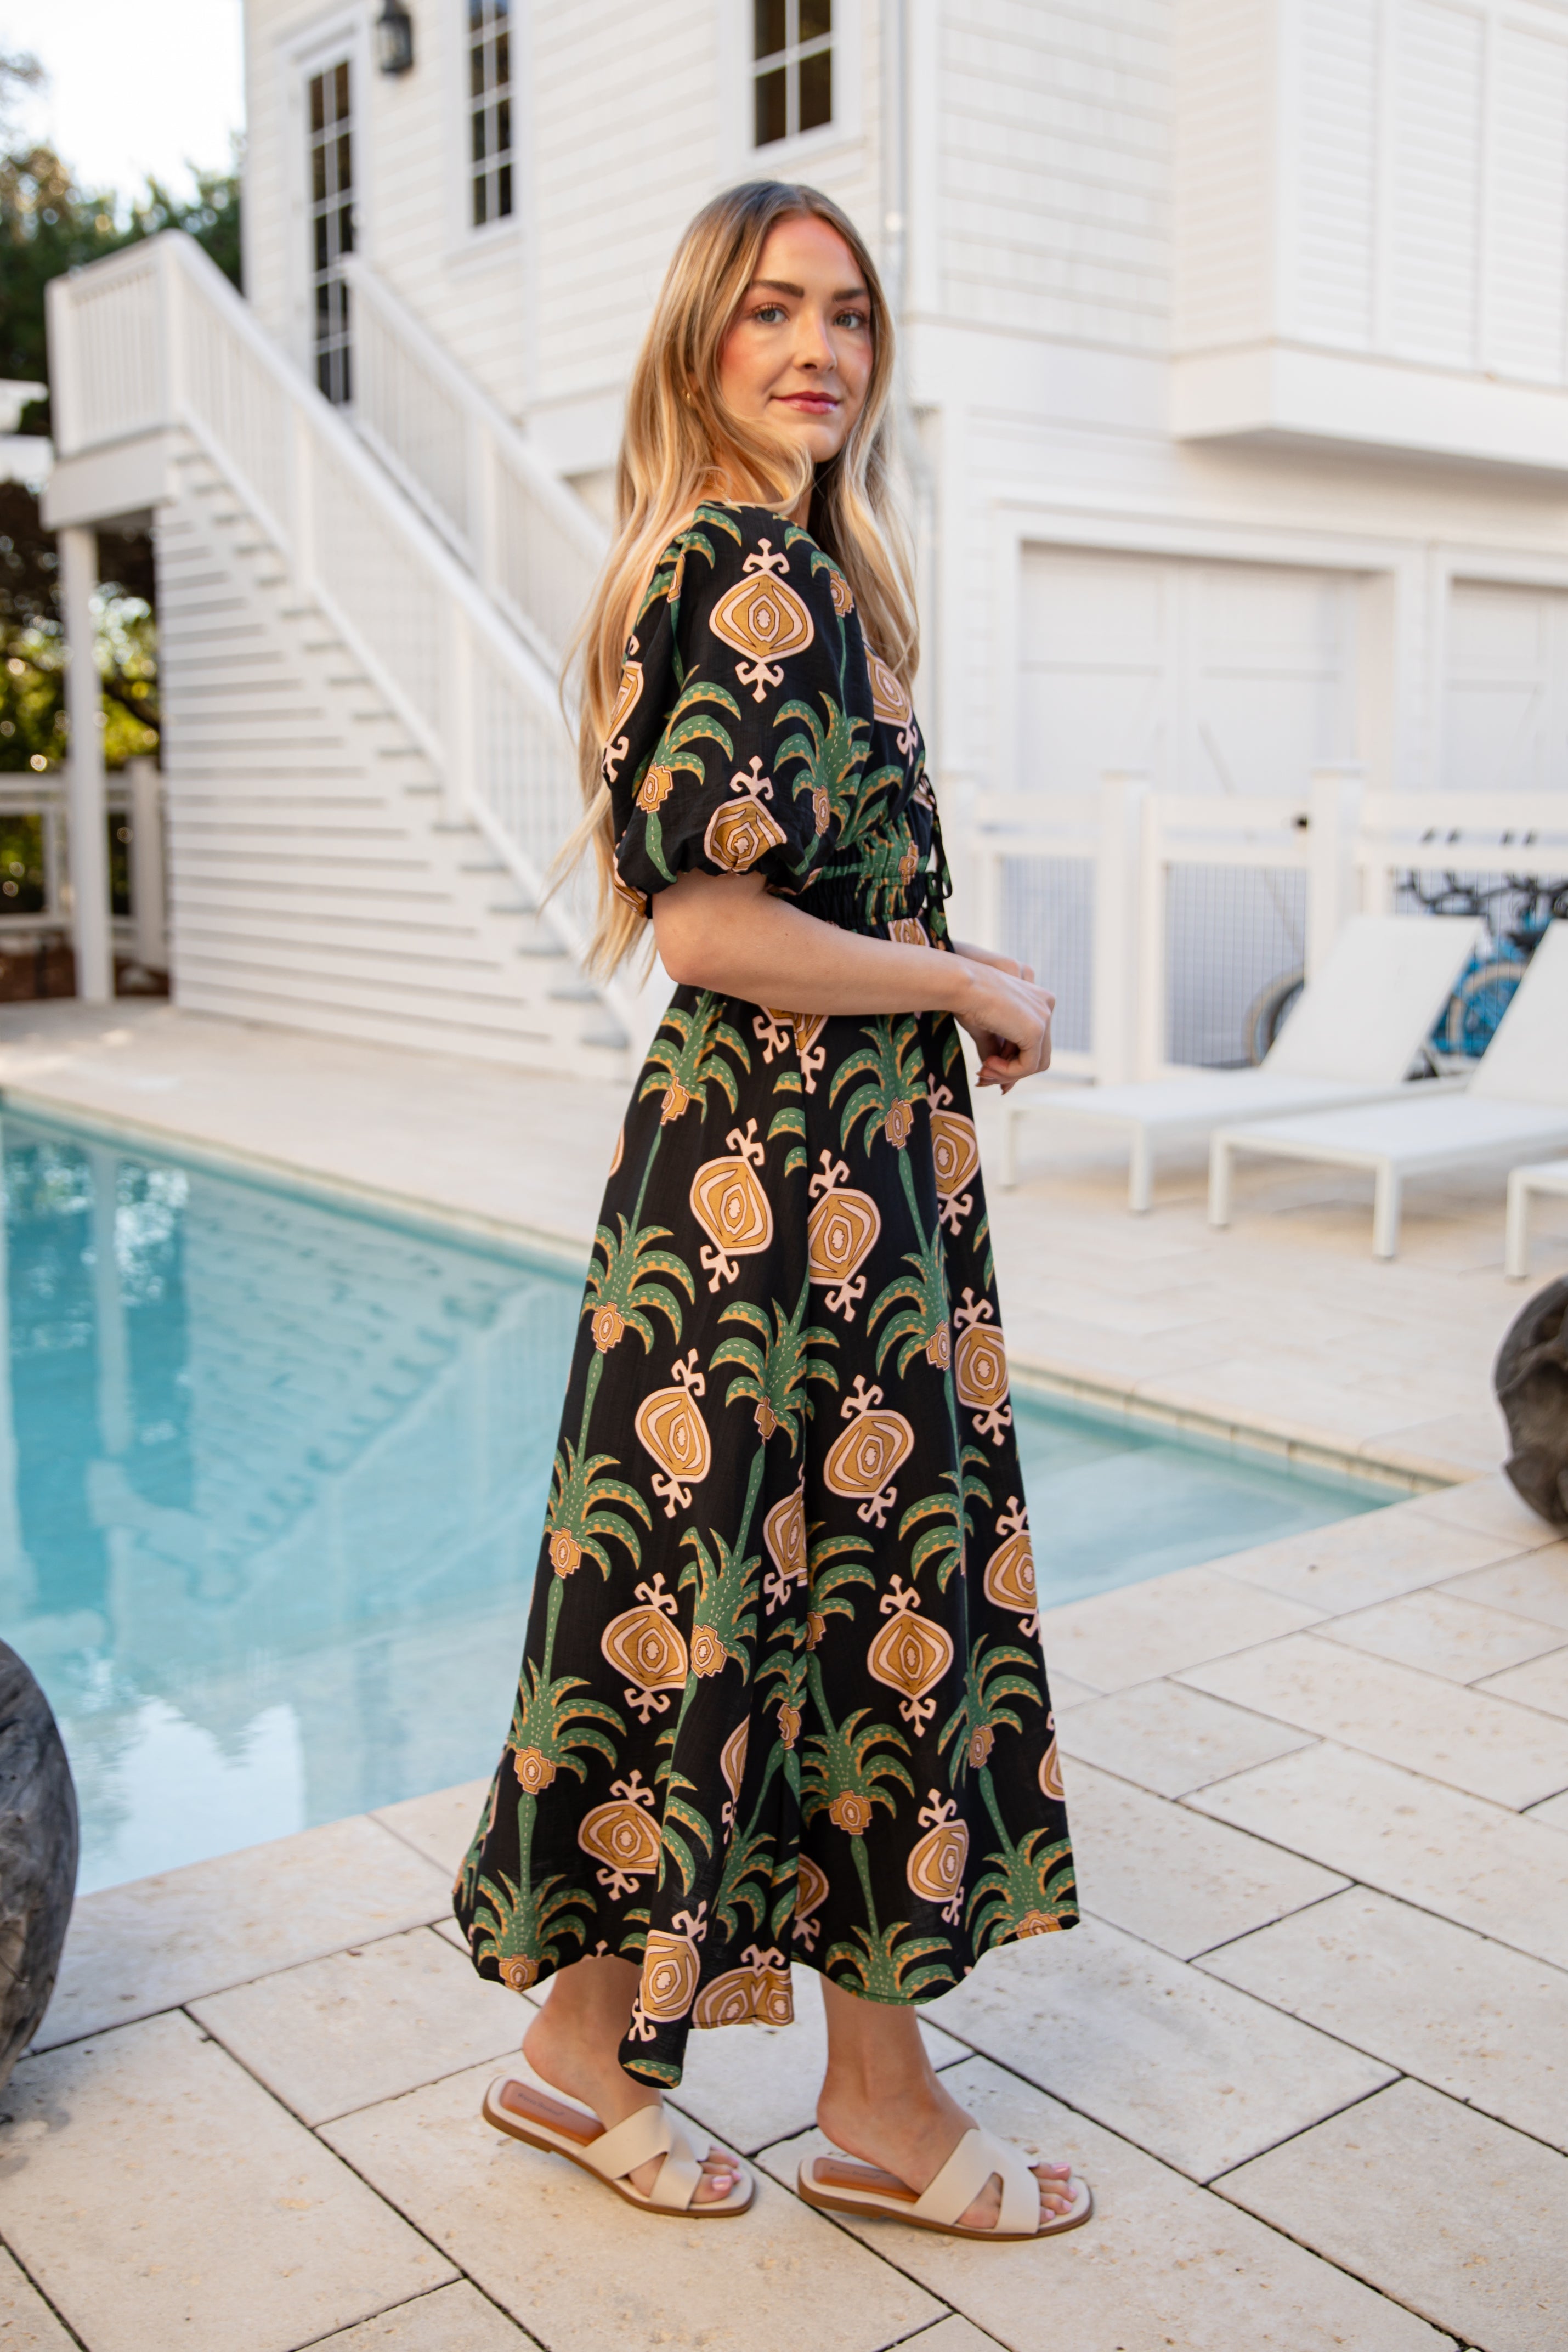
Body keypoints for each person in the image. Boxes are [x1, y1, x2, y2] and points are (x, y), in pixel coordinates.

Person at [454, 179, 1089, 2242]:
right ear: (698, 343)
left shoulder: (775, 564)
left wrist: (933, 975)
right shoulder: (742, 570)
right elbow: (714, 920)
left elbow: (795, 904)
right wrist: (968, 985)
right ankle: (845, 2109)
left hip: (788, 1184)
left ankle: (611, 2069)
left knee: (775, 1631)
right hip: (788, 1213)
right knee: (846, 1631)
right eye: (768, 311)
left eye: (845, 311)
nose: (816, 346)